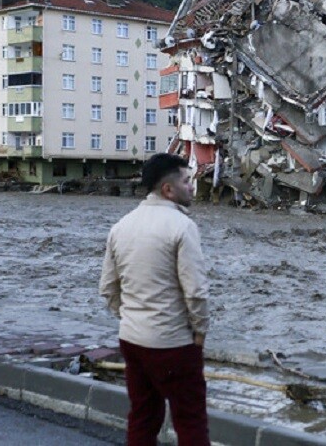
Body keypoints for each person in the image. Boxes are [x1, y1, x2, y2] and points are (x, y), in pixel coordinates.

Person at [100, 153, 210, 445]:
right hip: (173, 343)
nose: (192, 187)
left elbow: (108, 288)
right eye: (187, 181)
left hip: (132, 340)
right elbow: (196, 291)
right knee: (190, 420)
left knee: (143, 417)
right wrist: (199, 332)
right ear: (168, 190)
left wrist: (131, 317)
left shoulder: (121, 226)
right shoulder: (182, 227)